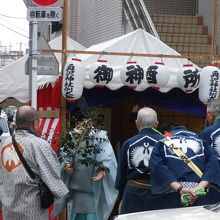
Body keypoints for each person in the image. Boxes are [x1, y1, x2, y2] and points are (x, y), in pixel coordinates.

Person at [0, 105, 69, 220]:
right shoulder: (39, 144)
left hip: (8, 209)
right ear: (35, 123)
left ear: (16, 122)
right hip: (32, 210)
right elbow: (53, 176)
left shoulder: (4, 144)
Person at [52, 108, 118, 220]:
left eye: (88, 122)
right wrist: (68, 164)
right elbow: (65, 154)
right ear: (77, 123)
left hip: (92, 188)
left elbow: (106, 155)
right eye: (81, 122)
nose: (85, 125)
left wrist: (103, 168)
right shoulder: (71, 136)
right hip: (78, 188)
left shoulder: (100, 136)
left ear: (91, 122)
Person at [149, 124, 220, 209]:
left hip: (174, 194)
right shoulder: (201, 140)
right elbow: (214, 162)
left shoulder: (162, 142)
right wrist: (197, 189)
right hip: (199, 194)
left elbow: (157, 166)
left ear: (167, 133)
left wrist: (179, 188)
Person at [115, 107, 165, 214]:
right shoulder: (166, 143)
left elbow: (121, 174)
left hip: (133, 194)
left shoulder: (128, 143)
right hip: (160, 194)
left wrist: (121, 196)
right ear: (156, 124)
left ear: (137, 123)